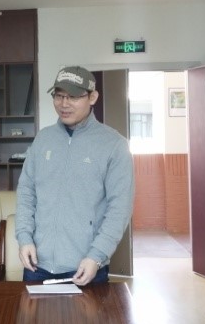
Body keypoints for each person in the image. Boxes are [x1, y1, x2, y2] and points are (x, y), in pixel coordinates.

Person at [15, 66, 135, 285]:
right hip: (36, 266)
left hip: (86, 267)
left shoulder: (114, 145)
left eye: (73, 97)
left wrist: (97, 255)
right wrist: (24, 238)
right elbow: (26, 192)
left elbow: (119, 209)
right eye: (59, 96)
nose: (64, 104)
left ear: (92, 97)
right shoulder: (43, 139)